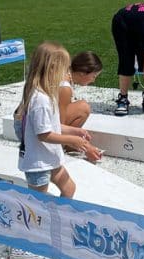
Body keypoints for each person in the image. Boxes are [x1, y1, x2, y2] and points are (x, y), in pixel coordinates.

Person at [14, 41, 102, 198]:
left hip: (49, 158)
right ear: (52, 69)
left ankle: (59, 218)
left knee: (69, 189)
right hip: (38, 163)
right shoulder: (40, 99)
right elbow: (44, 134)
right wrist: (72, 140)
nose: (67, 73)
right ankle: (38, 221)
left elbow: (54, 125)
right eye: (64, 69)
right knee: (37, 203)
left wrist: (76, 131)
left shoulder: (48, 95)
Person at [58, 51, 103, 128]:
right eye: (94, 76)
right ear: (83, 72)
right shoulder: (65, 87)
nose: (93, 81)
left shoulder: (64, 73)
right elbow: (60, 124)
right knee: (83, 108)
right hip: (48, 127)